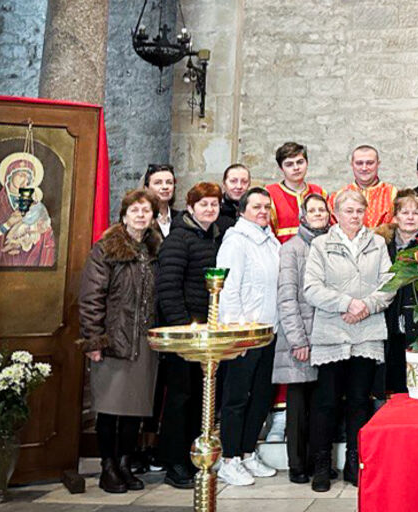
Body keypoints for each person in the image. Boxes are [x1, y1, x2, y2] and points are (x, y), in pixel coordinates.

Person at [303, 188, 393, 492]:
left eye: (358, 211)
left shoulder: (378, 242)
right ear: (335, 214)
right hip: (332, 331)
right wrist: (346, 303)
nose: (354, 216)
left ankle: (356, 462)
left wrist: (366, 305)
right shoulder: (320, 244)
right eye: (348, 211)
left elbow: (390, 284)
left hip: (366, 332)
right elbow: (311, 288)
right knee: (326, 401)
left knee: (359, 401)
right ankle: (321, 465)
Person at [77, 189, 163, 493]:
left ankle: (126, 464)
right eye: (135, 210)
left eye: (146, 210)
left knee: (134, 409)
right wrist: (94, 339)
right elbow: (91, 296)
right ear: (124, 215)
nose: (141, 215)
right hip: (114, 340)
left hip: (144, 343)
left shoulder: (154, 250)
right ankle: (108, 467)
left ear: (153, 216)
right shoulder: (107, 249)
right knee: (110, 409)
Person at [154, 182, 223, 489]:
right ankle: (174, 462)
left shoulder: (215, 237)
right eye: (204, 204)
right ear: (191, 208)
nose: (210, 209)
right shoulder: (178, 240)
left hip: (207, 332)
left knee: (201, 397)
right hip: (186, 334)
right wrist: (184, 329)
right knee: (180, 398)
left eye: (214, 204)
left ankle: (196, 456)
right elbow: (168, 288)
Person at [215, 188, 281, 487]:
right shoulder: (236, 241)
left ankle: (247, 451)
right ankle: (229, 458)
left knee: (262, 396)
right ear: (242, 211)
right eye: (256, 206)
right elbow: (228, 289)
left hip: (269, 332)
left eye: (267, 206)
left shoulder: (270, 240)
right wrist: (235, 334)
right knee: (237, 398)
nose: (263, 211)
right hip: (244, 333)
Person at [274, 192, 329, 484]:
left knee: (322, 403)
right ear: (303, 216)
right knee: (298, 405)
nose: (318, 214)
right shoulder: (292, 249)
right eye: (313, 210)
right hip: (301, 338)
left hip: (327, 336)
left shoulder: (331, 245)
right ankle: (297, 464)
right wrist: (298, 340)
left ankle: (316, 460)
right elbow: (286, 298)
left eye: (323, 209)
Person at [376, 190, 418, 396]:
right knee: (392, 379)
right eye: (405, 213)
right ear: (395, 217)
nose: (410, 217)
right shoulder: (382, 245)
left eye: (415, 213)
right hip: (388, 319)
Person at [0, 152, 57, 268]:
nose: (25, 181)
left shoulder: (35, 206)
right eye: (21, 175)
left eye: (28, 177)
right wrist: (8, 224)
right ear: (9, 176)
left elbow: (48, 242)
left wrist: (33, 237)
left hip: (29, 268)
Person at [266, 142, 324, 244]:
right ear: (281, 168)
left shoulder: (319, 192)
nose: (296, 168)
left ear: (307, 163)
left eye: (300, 162)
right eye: (289, 164)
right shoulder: (270, 194)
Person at [331, 145, 396, 228]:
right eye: (359, 163)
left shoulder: (393, 194)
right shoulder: (338, 196)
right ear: (352, 164)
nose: (364, 168)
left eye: (369, 163)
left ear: (378, 164)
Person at [144, 163, 177, 237]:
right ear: (146, 188)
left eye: (169, 182)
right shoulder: (141, 218)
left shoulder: (181, 219)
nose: (165, 187)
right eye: (158, 183)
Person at [218, 163, 251, 232]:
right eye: (233, 181)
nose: (239, 186)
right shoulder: (215, 210)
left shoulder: (254, 209)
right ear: (224, 184)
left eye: (244, 182)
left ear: (249, 184)